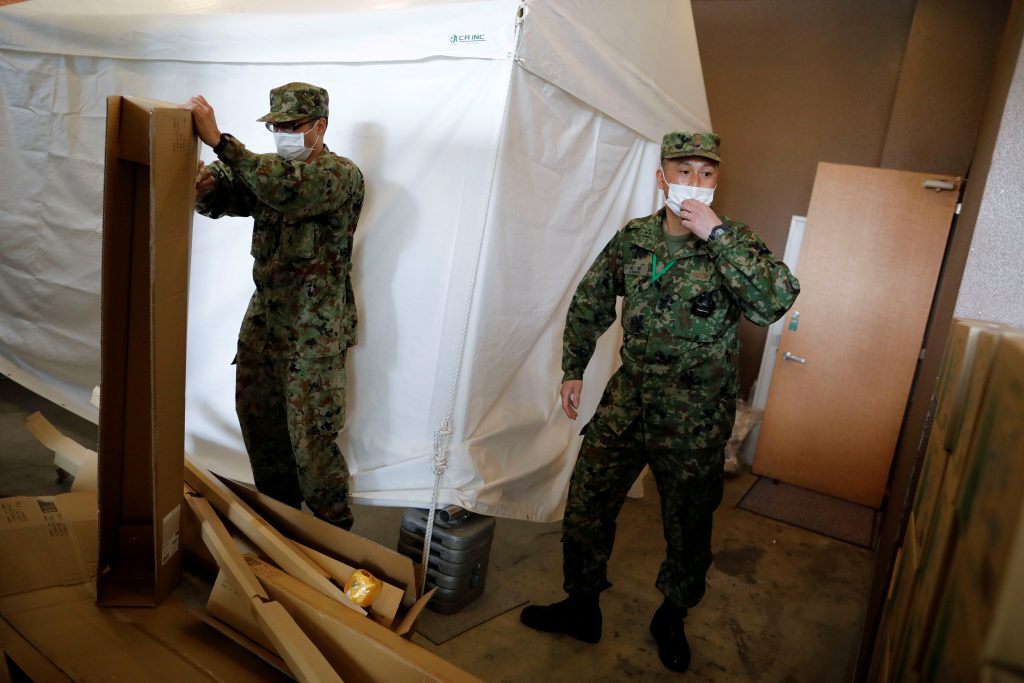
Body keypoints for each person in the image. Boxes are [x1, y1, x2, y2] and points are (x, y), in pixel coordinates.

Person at [520, 131, 800, 672]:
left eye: (707, 173)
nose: (695, 182)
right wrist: (573, 368)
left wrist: (717, 236)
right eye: (684, 170)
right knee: (586, 506)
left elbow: (773, 303)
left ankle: (671, 614)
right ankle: (582, 607)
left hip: (695, 416)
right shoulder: (635, 238)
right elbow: (591, 298)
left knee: (688, 523)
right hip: (630, 400)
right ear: (661, 178)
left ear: (717, 182)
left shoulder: (734, 240)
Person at [185, 82, 364, 530]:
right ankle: (283, 533)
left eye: (293, 125)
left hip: (313, 339)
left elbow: (288, 191)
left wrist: (221, 143)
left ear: (320, 126)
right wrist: (205, 187)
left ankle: (335, 543)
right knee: (262, 430)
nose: (283, 134)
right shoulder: (271, 172)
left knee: (312, 446)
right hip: (264, 326)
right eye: (276, 126)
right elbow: (232, 194)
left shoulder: (338, 176)